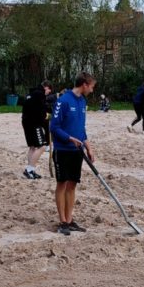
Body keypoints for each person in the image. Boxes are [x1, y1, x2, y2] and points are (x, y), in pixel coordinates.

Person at [49, 72, 96, 235]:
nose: (92, 90)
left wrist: (89, 147)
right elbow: (53, 127)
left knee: (72, 184)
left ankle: (69, 220)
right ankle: (62, 221)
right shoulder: (63, 101)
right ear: (84, 84)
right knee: (62, 183)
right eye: (91, 86)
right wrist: (69, 139)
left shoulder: (83, 101)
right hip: (63, 150)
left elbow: (81, 128)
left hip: (77, 150)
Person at [22, 81, 52, 179]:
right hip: (34, 123)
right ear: (46, 88)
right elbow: (42, 110)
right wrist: (47, 115)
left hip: (26, 122)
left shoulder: (31, 93)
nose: (48, 93)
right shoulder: (40, 94)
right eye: (49, 91)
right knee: (42, 146)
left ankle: (30, 170)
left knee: (32, 147)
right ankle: (29, 169)